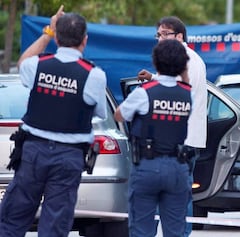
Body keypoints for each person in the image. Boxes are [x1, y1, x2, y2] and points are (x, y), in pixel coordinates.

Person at [0, 6, 107, 237]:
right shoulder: (93, 74)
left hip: (33, 153)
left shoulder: (37, 65)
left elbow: (22, 62)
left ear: (57, 38)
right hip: (68, 157)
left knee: (12, 220)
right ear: (85, 40)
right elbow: (100, 112)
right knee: (55, 226)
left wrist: (47, 32)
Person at [138, 16, 207, 236]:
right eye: (158, 34)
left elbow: (176, 93)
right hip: (181, 139)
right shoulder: (180, 58)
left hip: (181, 141)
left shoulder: (186, 60)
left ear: (179, 36)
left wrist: (152, 85)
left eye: (164, 34)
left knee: (178, 197)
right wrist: (153, 78)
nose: (160, 38)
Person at [114, 39, 191, 237]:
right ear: (183, 65)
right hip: (178, 167)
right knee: (175, 231)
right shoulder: (187, 94)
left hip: (148, 165)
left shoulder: (144, 92)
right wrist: (183, 70)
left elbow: (119, 114)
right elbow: (185, 84)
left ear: (155, 63)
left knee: (141, 230)